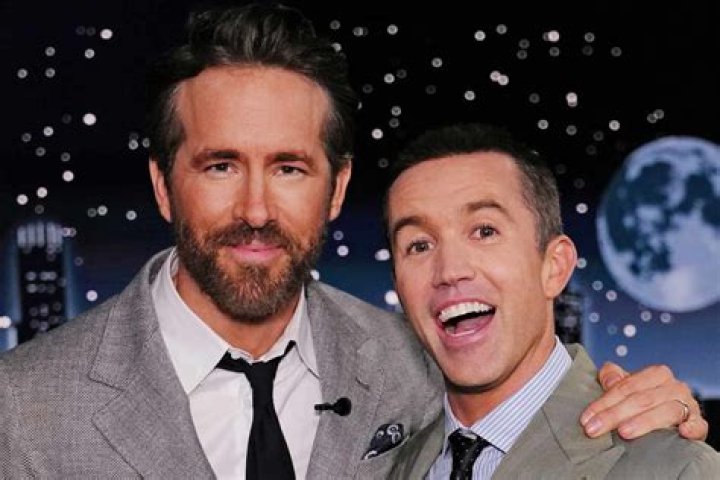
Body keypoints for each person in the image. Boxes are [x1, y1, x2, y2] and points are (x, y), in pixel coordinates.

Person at [0, 4, 708, 480]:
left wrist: (659, 423)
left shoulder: (418, 365)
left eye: (289, 168)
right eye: (220, 166)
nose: (255, 209)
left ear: (336, 188)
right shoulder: (22, 410)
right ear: (162, 185)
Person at [386, 123, 720, 479]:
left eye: (484, 231)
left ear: (555, 266)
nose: (450, 270)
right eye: (418, 245)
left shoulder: (673, 469)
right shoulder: (391, 465)